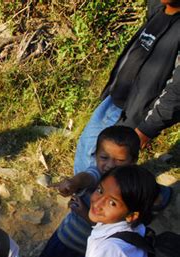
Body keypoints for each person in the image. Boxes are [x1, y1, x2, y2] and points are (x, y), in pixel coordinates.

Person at [7, 165, 159, 257]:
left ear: (132, 215)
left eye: (112, 203)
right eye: (100, 190)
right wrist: (87, 216)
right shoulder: (133, 227)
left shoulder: (111, 252)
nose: (98, 203)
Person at [74, 0, 180, 175]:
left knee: (105, 170)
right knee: (86, 151)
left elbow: (176, 92)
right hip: (113, 100)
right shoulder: (159, 10)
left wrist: (148, 128)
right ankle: (83, 198)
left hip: (134, 114)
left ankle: (94, 199)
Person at [32, 126, 140, 257]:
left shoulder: (131, 191)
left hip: (90, 254)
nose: (110, 165)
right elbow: (88, 177)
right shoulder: (98, 173)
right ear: (95, 155)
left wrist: (85, 214)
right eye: (104, 157)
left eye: (120, 161)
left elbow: (115, 231)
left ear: (134, 161)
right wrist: (72, 183)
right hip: (66, 239)